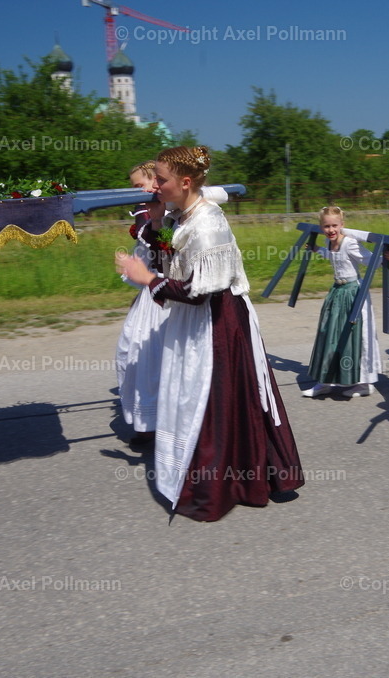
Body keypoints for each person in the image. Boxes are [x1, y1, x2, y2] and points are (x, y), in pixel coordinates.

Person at [116, 146, 302, 522]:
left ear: (184, 182)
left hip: (219, 322)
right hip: (196, 319)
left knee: (217, 399)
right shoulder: (183, 215)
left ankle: (229, 483)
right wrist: (153, 227)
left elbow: (200, 291)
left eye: (161, 180)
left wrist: (147, 278)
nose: (154, 186)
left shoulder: (208, 223)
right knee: (204, 397)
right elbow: (176, 253)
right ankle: (234, 475)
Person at [114, 161, 229, 445]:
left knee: (154, 357)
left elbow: (167, 247)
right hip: (156, 289)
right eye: (137, 187)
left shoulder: (183, 214)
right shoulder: (157, 211)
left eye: (141, 185)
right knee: (132, 352)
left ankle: (157, 425)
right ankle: (150, 421)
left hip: (172, 290)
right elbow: (159, 244)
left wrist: (155, 219)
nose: (140, 192)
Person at [302, 206, 382, 398]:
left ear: (342, 225)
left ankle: (363, 382)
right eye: (326, 226)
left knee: (355, 336)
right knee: (328, 333)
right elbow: (334, 257)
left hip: (353, 293)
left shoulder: (350, 243)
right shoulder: (329, 242)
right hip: (337, 291)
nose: (331, 230)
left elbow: (373, 261)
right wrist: (318, 249)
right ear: (322, 227)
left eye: (334, 226)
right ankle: (326, 380)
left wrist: (385, 256)